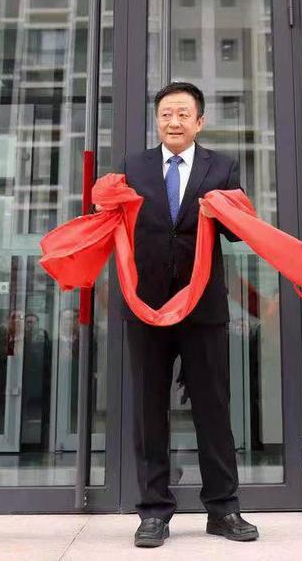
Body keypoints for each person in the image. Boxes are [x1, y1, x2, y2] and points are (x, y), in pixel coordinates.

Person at [119, 81, 258, 548]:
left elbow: (240, 232)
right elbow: (112, 224)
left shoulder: (222, 167)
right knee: (149, 410)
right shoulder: (133, 167)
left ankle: (223, 509)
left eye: (182, 114)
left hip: (203, 307)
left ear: (199, 122)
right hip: (146, 306)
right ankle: (153, 512)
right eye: (166, 114)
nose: (173, 122)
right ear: (157, 120)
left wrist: (227, 209)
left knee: (213, 408)